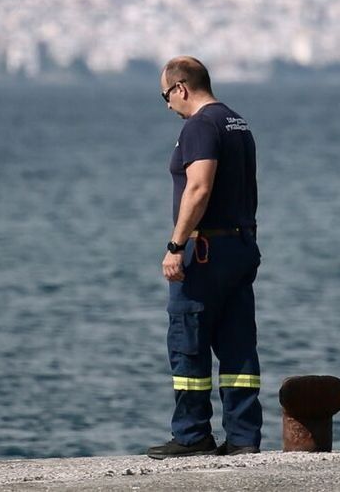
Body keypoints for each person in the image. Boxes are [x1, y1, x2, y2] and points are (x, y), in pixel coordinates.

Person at [145, 55, 263, 458]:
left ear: (180, 88)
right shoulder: (237, 122)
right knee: (238, 343)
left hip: (206, 249)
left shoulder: (199, 126)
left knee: (189, 339)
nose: (167, 105)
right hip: (242, 245)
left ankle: (193, 435)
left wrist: (176, 246)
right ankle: (244, 439)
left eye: (166, 95)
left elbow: (199, 188)